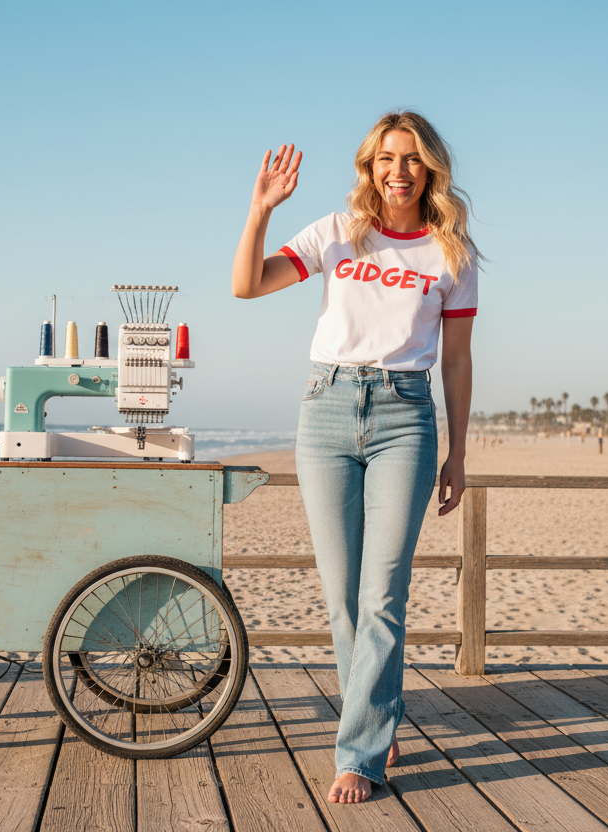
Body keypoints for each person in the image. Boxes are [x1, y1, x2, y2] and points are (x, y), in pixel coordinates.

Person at [231, 111, 478, 804]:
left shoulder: (450, 253)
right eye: (385, 159)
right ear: (369, 168)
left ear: (430, 169)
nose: (398, 170)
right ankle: (376, 715)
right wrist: (259, 211)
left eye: (411, 159)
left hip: (406, 416)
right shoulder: (338, 233)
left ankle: (361, 752)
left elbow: (456, 362)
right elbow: (246, 286)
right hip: (328, 410)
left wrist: (458, 453)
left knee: (383, 595)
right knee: (342, 596)